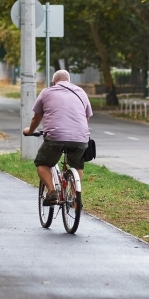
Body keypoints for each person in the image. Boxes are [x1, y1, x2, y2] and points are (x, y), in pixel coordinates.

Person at [23, 70, 93, 206]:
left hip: (55, 137)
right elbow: (86, 117)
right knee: (77, 165)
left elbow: (36, 117)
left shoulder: (47, 92)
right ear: (69, 81)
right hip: (81, 137)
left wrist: (29, 131)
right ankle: (74, 196)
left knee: (42, 163)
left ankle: (52, 191)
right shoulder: (81, 92)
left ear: (54, 82)